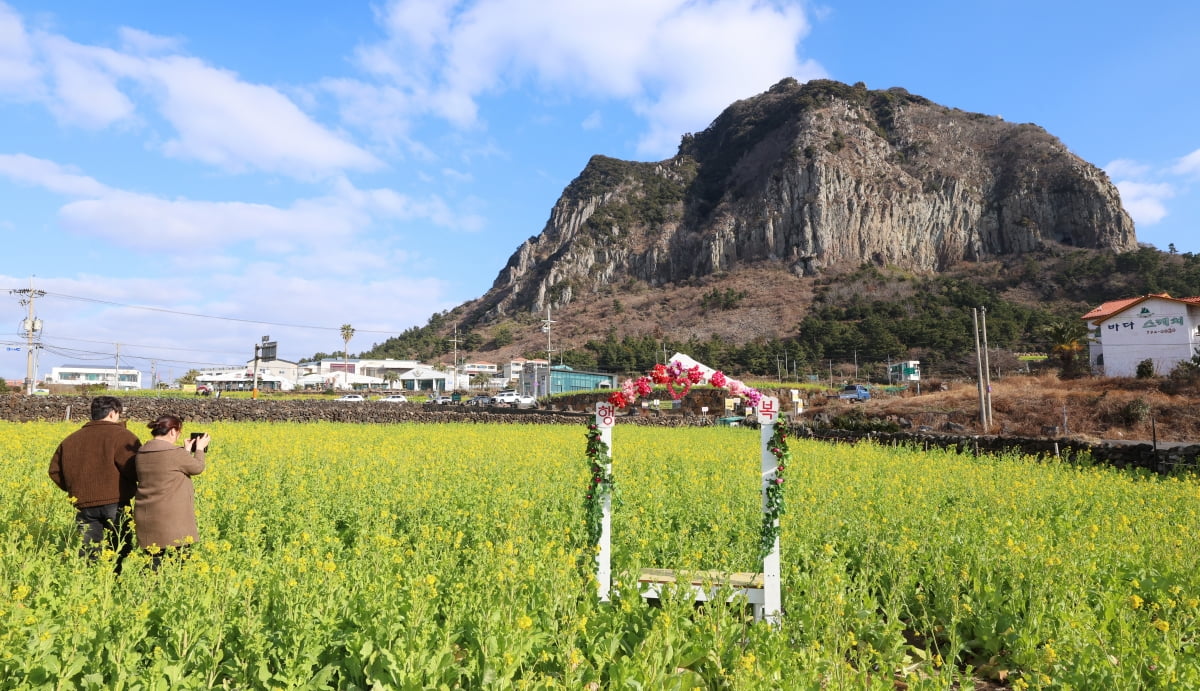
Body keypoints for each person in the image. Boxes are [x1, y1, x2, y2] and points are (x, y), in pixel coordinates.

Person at [48, 395, 141, 565]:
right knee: (121, 548)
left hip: (83, 504)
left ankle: (91, 582)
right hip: (116, 503)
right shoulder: (123, 436)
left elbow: (54, 471)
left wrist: (75, 489)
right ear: (113, 413)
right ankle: (115, 583)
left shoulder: (70, 440)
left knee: (89, 550)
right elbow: (135, 469)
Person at [133, 414, 208, 567]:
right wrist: (199, 449)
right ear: (173, 431)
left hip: (147, 516)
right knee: (179, 562)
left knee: (152, 564)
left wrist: (185, 451)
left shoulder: (141, 452)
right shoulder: (174, 453)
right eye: (178, 432)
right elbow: (197, 467)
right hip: (173, 519)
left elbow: (169, 468)